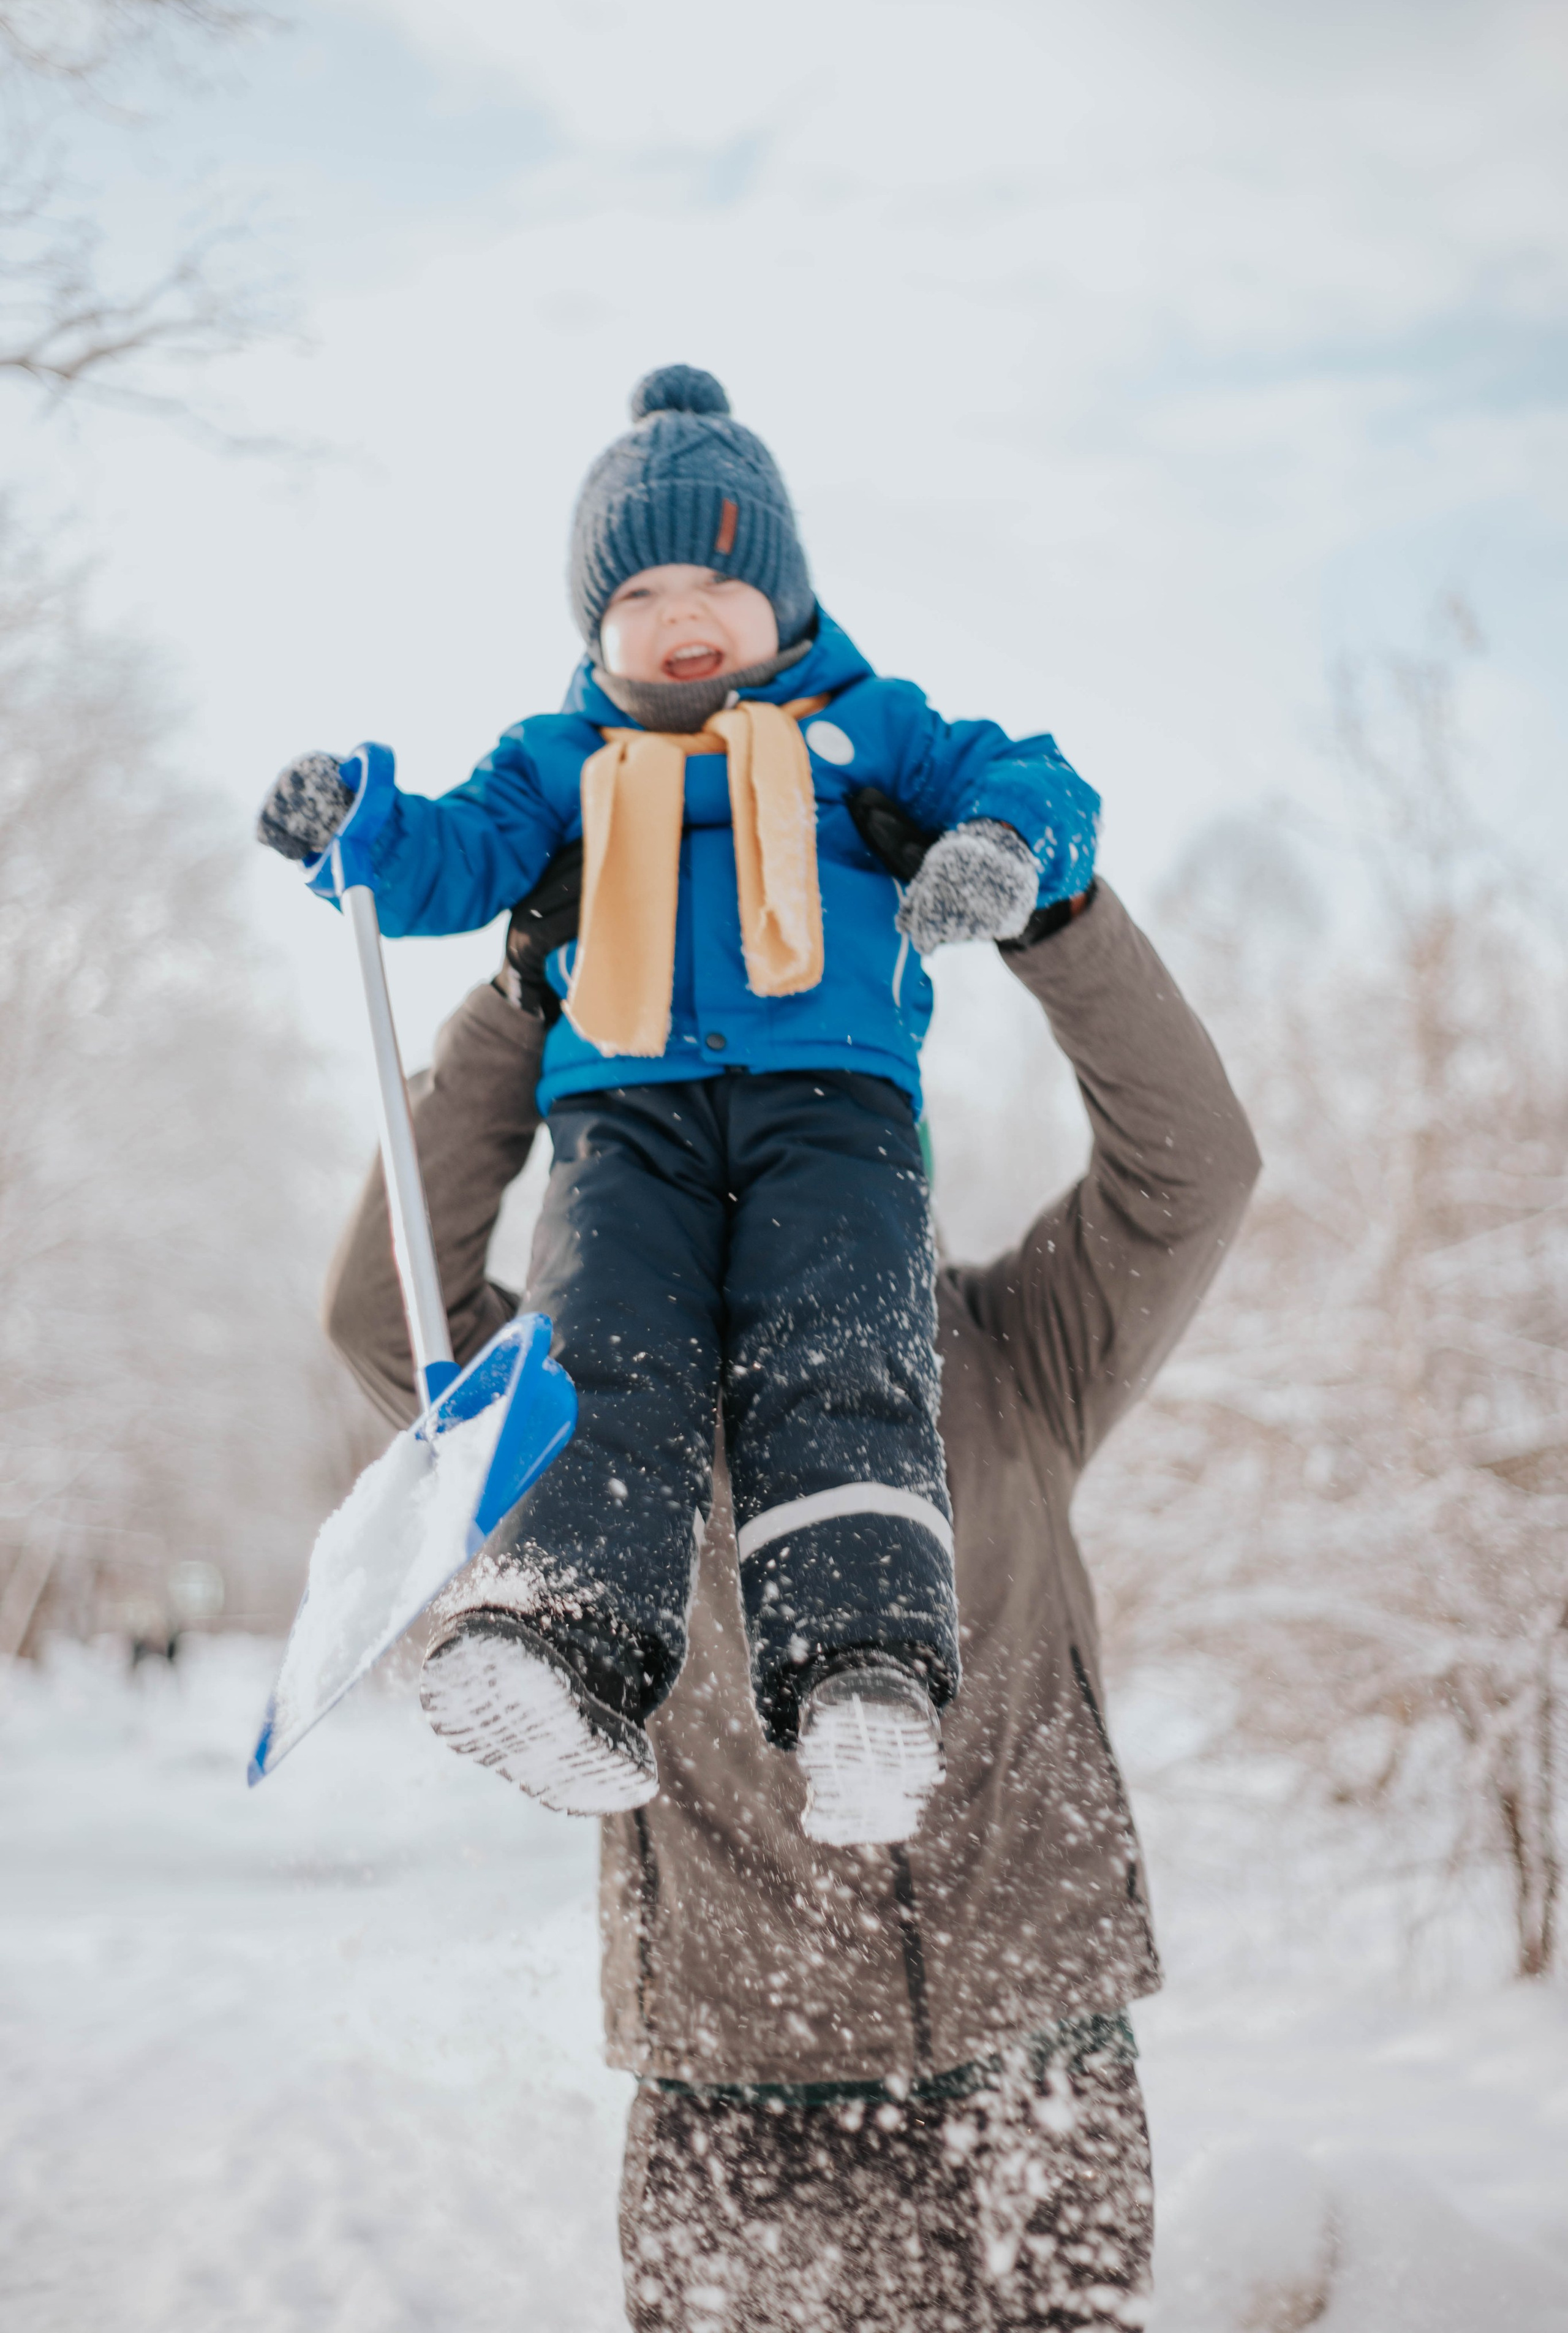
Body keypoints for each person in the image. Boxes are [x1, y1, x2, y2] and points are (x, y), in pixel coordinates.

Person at [323, 855, 1261, 2330]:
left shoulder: (1013, 1352)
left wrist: (1057, 919)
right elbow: (388, 1314)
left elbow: (1195, 1169)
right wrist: (523, 1002)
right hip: (733, 2072)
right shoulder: (583, 1418)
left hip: (1036, 2042)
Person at [257, 365, 1100, 1848]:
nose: (679, 607)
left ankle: (858, 1675)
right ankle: (558, 1649)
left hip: (830, 1102)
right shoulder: (560, 760)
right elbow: (449, 860)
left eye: (716, 571)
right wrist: (364, 828)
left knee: (837, 1353)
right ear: (594, 627)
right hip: (621, 1119)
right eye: (636, 589)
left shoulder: (868, 723)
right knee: (604, 1358)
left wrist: (998, 846)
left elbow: (1030, 777)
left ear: (784, 593)